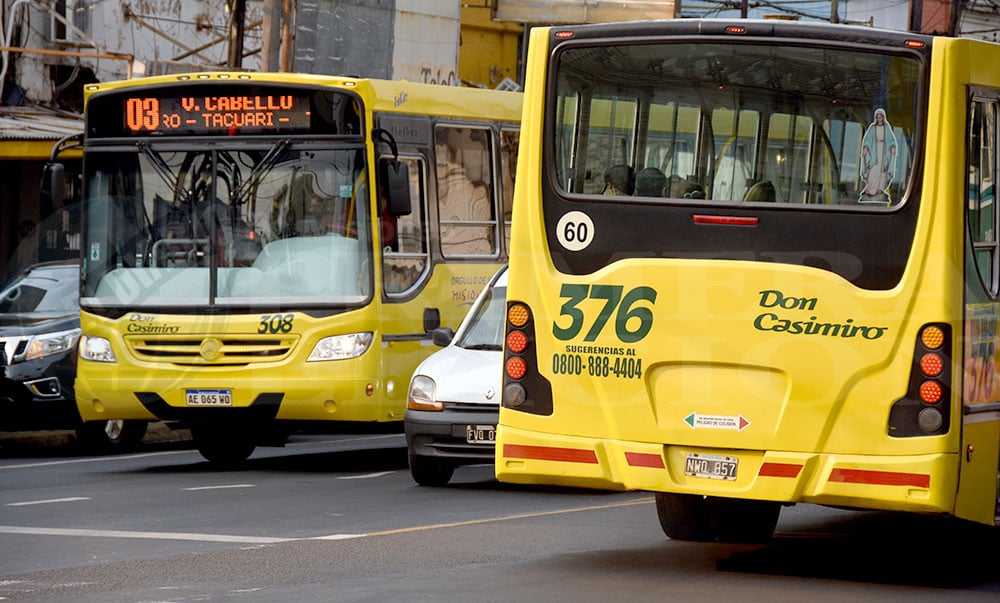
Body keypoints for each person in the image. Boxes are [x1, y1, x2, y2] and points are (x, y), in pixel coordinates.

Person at [859, 108, 898, 204]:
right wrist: (866, 147)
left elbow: (891, 139)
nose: (879, 118)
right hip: (874, 152)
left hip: (883, 152)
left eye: (881, 117)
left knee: (882, 170)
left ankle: (880, 188)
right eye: (878, 117)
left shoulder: (886, 127)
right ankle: (870, 189)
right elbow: (867, 139)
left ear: (883, 117)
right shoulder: (872, 127)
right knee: (873, 170)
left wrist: (892, 146)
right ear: (876, 118)